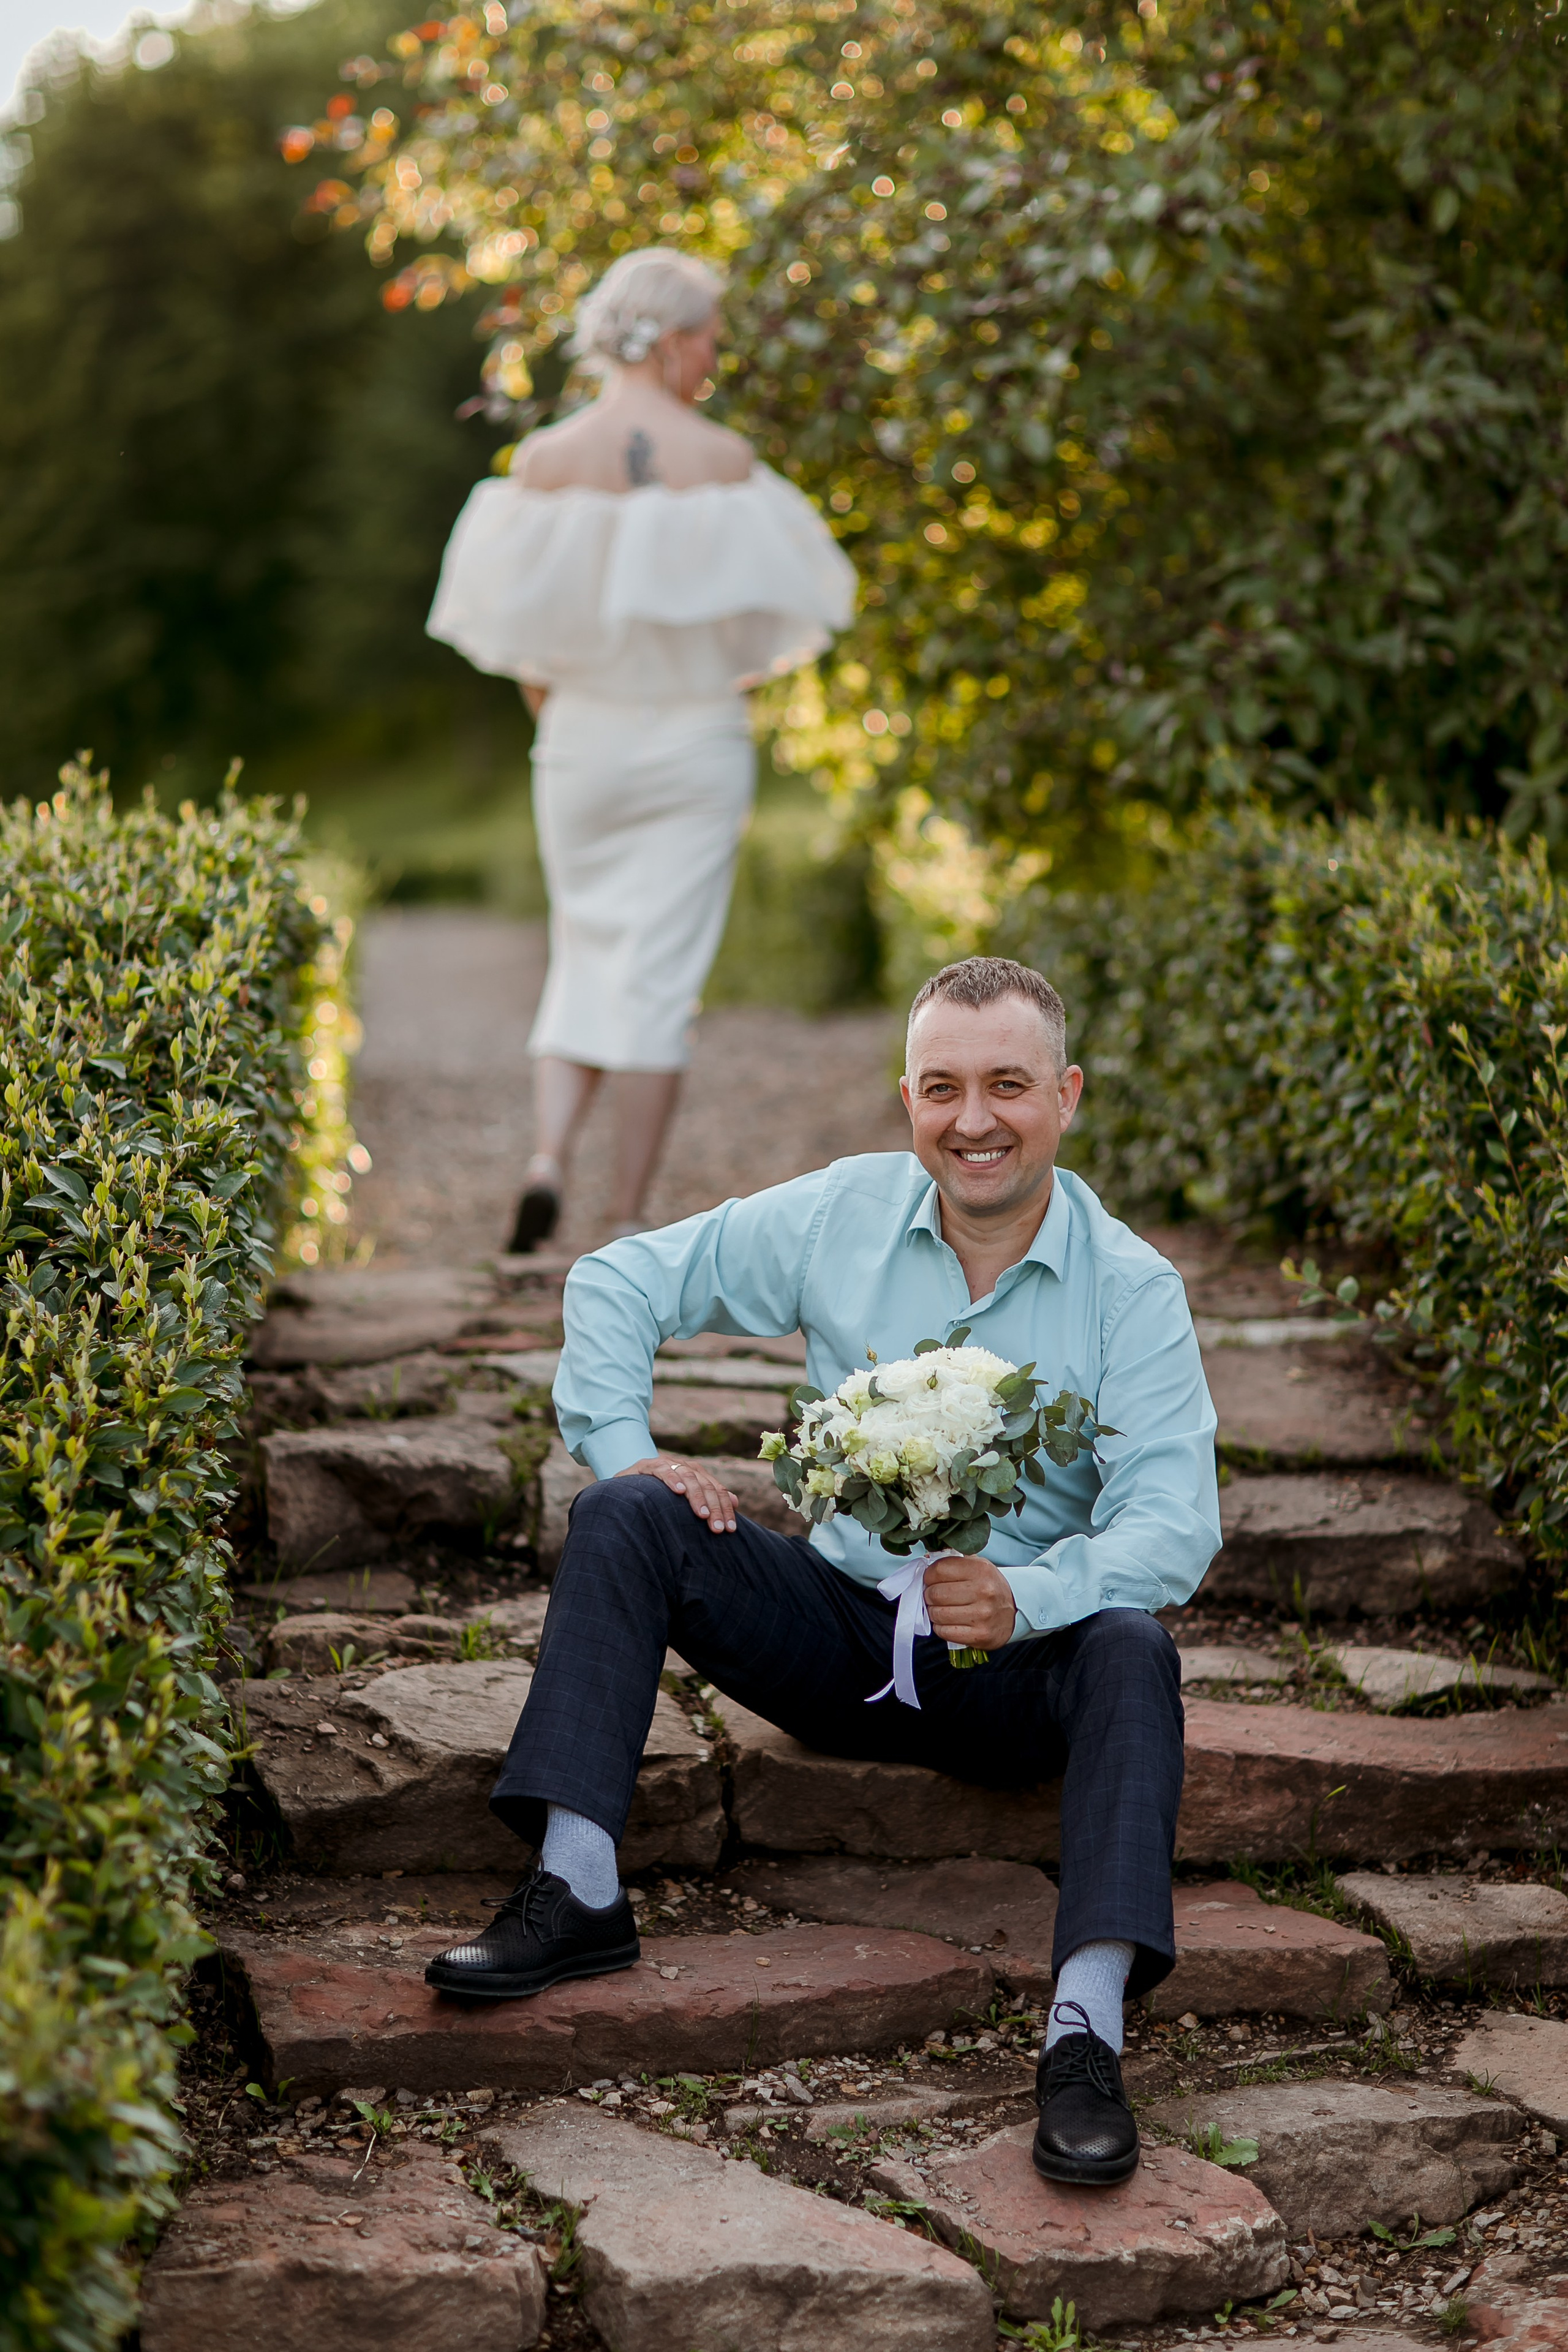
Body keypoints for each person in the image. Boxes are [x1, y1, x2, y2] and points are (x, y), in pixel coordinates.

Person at [425, 954, 1221, 2188]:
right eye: (941, 1088)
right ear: (906, 1099)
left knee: (1132, 1645)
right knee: (624, 1515)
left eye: (1007, 1086)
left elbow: (1174, 1521)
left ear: (1065, 1096)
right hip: (835, 1638)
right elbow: (618, 1279)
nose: (972, 1121)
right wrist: (632, 1452)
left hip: (1015, 1673)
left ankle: (1085, 2032)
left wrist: (1028, 1597)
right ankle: (574, 1888)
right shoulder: (842, 1212)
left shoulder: (1130, 1289)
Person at [427, 247, 856, 1253]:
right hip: (697, 736)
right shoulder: (726, 464)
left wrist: (575, 716)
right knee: (662, 982)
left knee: (583, 951)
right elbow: (763, 633)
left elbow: (523, 640)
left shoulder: (546, 464)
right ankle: (624, 1220)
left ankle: (546, 1162)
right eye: (709, 340)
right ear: (670, 343)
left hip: (581, 740)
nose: (714, 359)